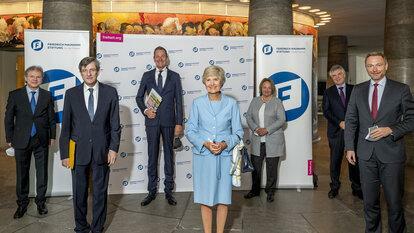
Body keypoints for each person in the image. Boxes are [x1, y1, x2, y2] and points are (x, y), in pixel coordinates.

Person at [344, 52, 414, 233]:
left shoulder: (401, 89)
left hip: (391, 154)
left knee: (394, 202)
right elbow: (351, 119)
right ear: (366, 68)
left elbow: (411, 119)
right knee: (369, 202)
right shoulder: (358, 90)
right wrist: (350, 147)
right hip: (365, 154)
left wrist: (391, 129)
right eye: (370, 66)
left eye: (378, 65)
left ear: (386, 65)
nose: (374, 69)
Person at [59, 57, 121, 233]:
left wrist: (113, 148)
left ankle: (97, 227)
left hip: (102, 151)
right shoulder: (71, 94)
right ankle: (80, 227)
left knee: (100, 194)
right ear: (81, 72)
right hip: (78, 152)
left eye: (92, 69)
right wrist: (65, 154)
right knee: (79, 193)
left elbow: (115, 124)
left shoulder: (110, 93)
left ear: (98, 71)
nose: (89, 73)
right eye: (85, 70)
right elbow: (66, 126)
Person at [185, 65, 243, 233]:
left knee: (223, 198)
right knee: (205, 198)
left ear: (222, 81)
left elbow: (238, 132)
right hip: (203, 157)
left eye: (215, 79)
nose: (212, 83)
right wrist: (205, 143)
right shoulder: (197, 103)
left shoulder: (231, 104)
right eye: (208, 79)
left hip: (224, 157)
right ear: (204, 82)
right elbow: (190, 131)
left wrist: (225, 144)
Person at [4, 65, 56, 219]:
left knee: (42, 173)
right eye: (32, 76)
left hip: (41, 139)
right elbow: (8, 119)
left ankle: (41, 203)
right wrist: (9, 138)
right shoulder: (15, 95)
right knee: (22, 174)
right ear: (26, 78)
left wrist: (52, 136)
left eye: (38, 76)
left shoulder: (47, 95)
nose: (35, 79)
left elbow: (51, 119)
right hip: (20, 140)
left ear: (42, 79)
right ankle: (22, 204)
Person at [135, 46, 183, 206]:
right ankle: (151, 191)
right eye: (157, 56)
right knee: (152, 156)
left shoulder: (175, 77)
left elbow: (179, 102)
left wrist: (179, 123)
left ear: (167, 58)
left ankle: (169, 192)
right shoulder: (147, 76)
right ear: (153, 58)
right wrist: (145, 110)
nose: (160, 59)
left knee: (169, 156)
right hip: (152, 122)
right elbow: (138, 97)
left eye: (163, 56)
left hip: (170, 122)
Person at [323, 65, 362, 200]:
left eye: (339, 74)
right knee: (335, 161)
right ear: (331, 78)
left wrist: (352, 123)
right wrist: (339, 122)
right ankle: (334, 187)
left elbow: (360, 108)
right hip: (336, 132)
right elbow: (326, 111)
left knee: (353, 160)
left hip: (353, 131)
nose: (337, 77)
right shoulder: (328, 92)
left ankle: (357, 188)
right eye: (333, 76)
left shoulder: (354, 89)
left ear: (344, 74)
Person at [243, 78, 286, 203]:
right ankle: (255, 191)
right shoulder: (255, 101)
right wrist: (256, 128)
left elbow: (281, 119)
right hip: (257, 140)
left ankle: (270, 192)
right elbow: (249, 116)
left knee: (272, 169)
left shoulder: (277, 102)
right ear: (261, 88)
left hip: (273, 140)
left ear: (272, 89)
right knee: (255, 168)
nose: (266, 90)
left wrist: (267, 129)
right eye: (264, 87)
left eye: (269, 87)